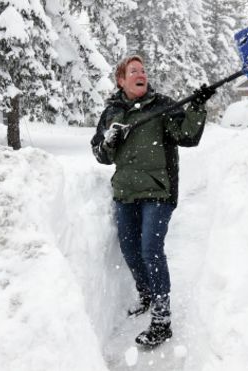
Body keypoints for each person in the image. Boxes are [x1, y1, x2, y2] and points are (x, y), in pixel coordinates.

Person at [90, 55, 216, 346]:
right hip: (125, 192)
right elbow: (100, 155)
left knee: (150, 249)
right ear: (121, 80)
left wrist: (197, 106)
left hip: (159, 191)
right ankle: (146, 292)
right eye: (134, 71)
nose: (141, 74)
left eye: (143, 70)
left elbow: (187, 135)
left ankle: (162, 318)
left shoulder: (162, 105)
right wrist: (108, 142)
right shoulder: (112, 112)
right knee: (130, 250)